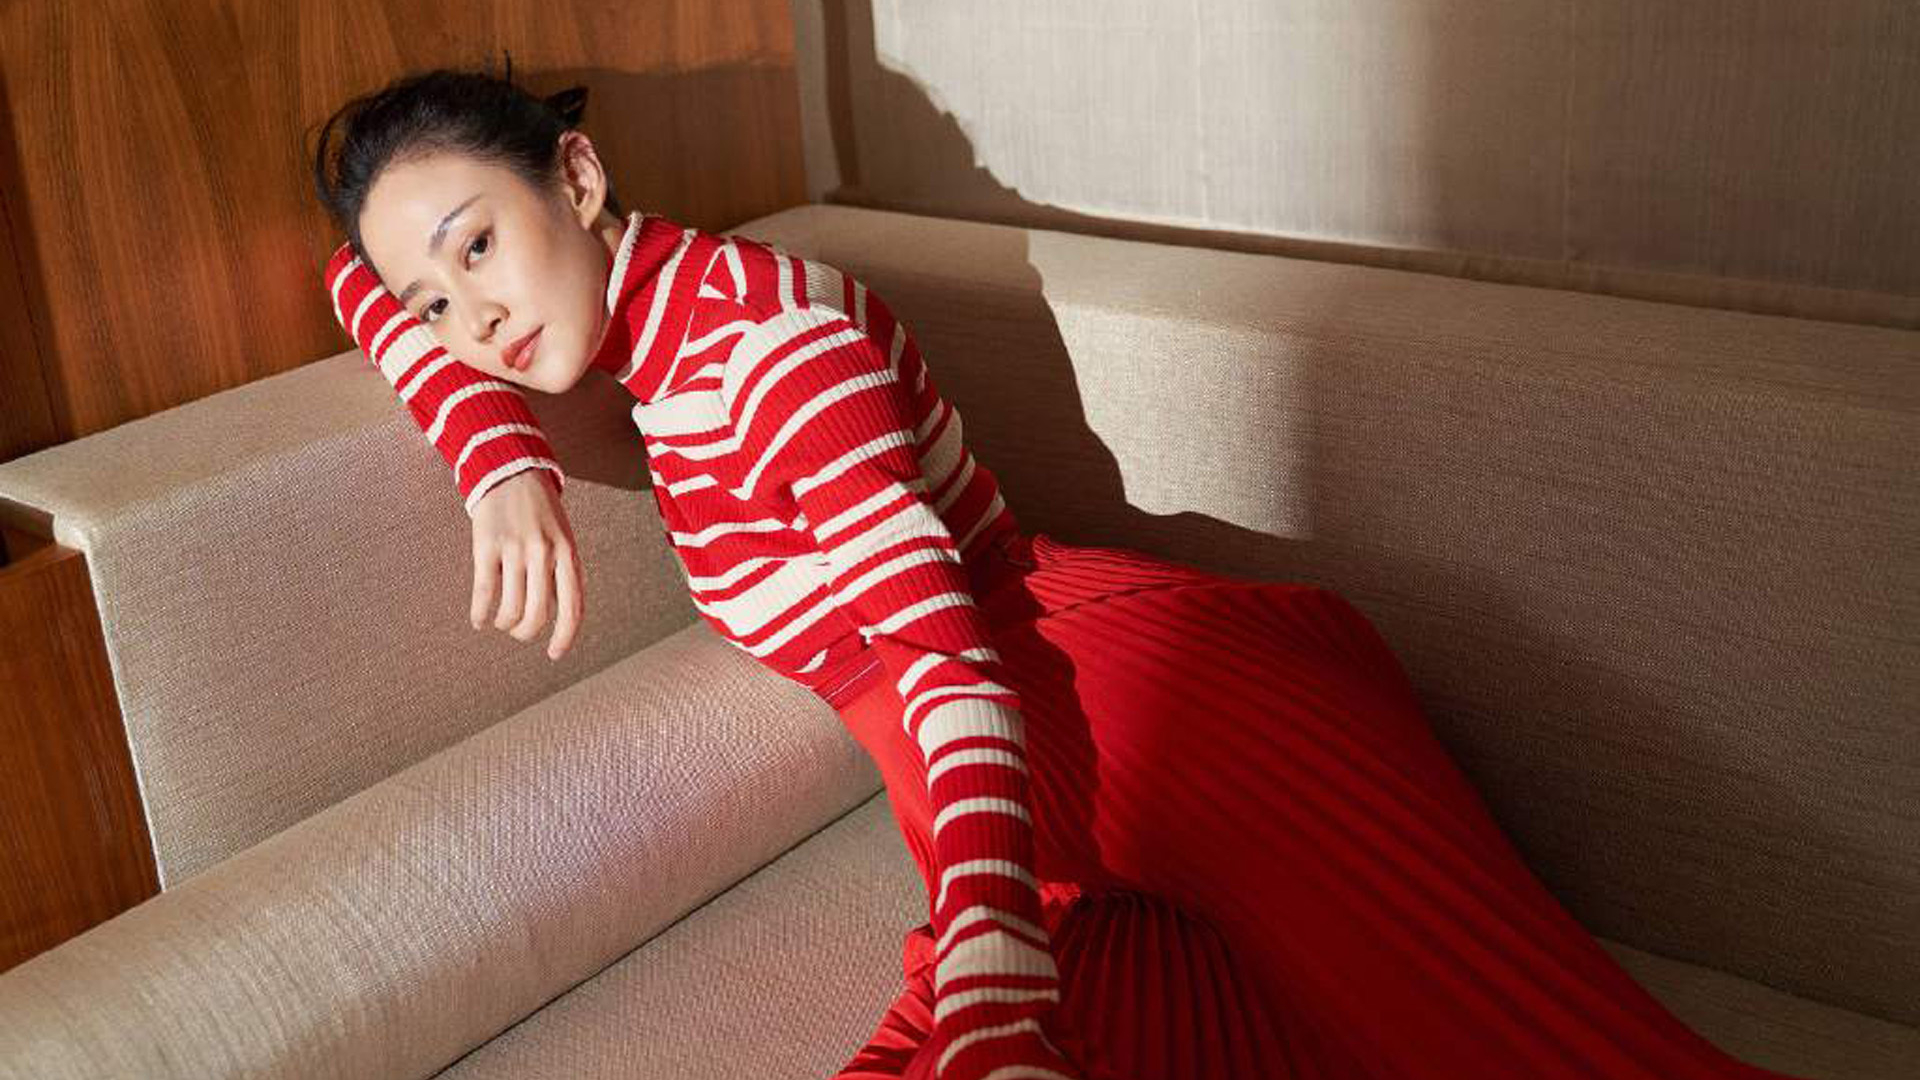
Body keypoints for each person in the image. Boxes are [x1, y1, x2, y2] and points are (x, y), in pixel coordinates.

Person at [309, 65, 1806, 1080]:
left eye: (479, 249)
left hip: (1159, 726)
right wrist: (494, 455)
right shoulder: (637, 330)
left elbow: (942, 658)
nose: (469, 321)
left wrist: (991, 946)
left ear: (577, 174)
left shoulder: (767, 347)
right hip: (1056, 789)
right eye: (432, 303)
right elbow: (349, 283)